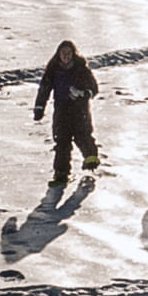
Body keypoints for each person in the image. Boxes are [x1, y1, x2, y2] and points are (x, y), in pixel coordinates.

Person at [33, 39, 101, 186]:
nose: (66, 56)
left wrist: (82, 94)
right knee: (62, 142)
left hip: (79, 110)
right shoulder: (53, 69)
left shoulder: (81, 69)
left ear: (73, 54)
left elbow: (93, 89)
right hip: (61, 110)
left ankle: (91, 160)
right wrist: (39, 108)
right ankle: (61, 174)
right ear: (58, 54)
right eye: (63, 53)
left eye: (68, 53)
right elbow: (44, 89)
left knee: (83, 137)